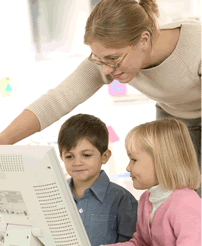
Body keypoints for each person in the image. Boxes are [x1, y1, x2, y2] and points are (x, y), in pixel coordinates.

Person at [0, 0, 200, 167]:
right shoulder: (109, 56)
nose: (106, 69)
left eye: (113, 59)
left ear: (144, 40)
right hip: (173, 116)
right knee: (175, 192)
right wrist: (3, 141)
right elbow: (57, 100)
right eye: (99, 59)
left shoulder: (196, 48)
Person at [70, 118, 201, 246]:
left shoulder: (186, 203)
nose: (128, 167)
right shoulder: (147, 199)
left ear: (161, 161)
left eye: (134, 160)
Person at [57, 113, 138, 246]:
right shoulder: (55, 196)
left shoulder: (122, 199)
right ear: (61, 158)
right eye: (69, 156)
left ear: (105, 156)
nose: (77, 162)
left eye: (86, 155)